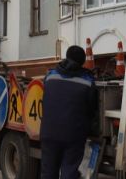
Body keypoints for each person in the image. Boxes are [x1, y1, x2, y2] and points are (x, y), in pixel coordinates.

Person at [41, 45, 98, 179]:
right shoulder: (88, 82)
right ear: (83, 62)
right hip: (73, 135)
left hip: (48, 132)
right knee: (69, 172)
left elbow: (45, 100)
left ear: (66, 57)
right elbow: (92, 110)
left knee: (48, 173)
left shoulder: (49, 76)